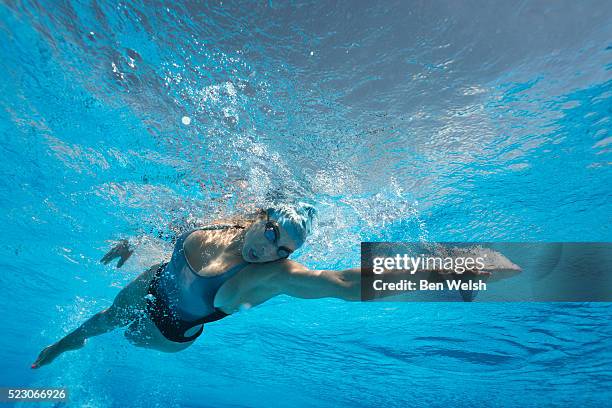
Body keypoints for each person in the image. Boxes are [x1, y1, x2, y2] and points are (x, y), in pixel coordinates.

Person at [32, 203, 516, 368]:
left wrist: (434, 271)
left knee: (125, 331)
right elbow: (173, 233)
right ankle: (55, 349)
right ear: (258, 217)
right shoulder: (225, 221)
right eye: (270, 236)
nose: (269, 252)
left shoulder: (269, 275)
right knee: (105, 317)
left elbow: (341, 283)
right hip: (154, 281)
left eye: (284, 249)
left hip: (167, 331)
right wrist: (132, 241)